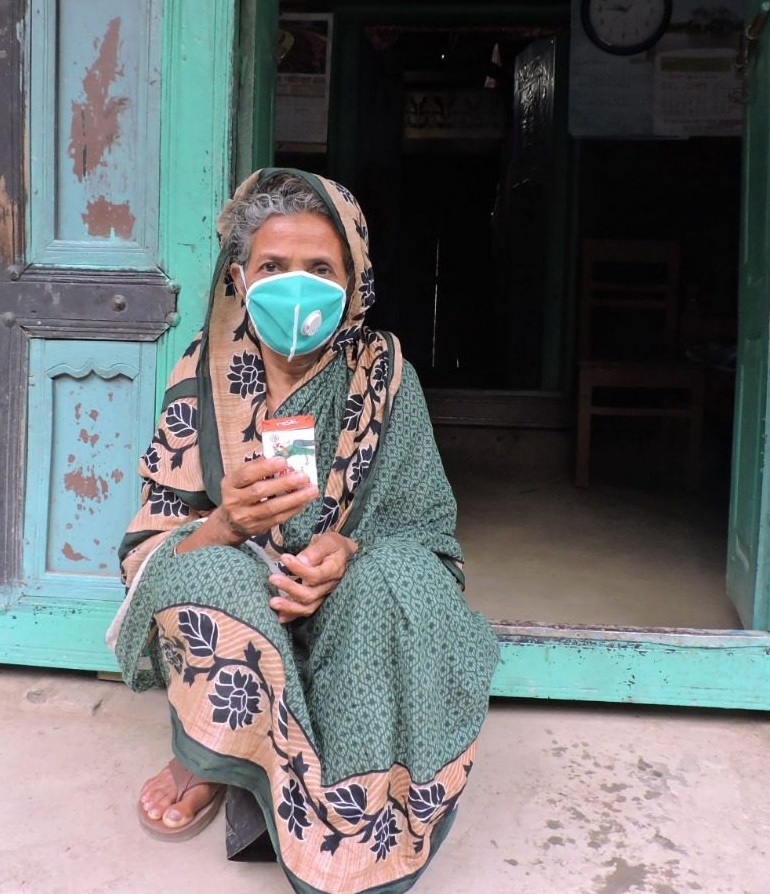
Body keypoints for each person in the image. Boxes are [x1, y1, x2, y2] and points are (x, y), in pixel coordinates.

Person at [106, 168, 500, 894]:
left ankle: (352, 804)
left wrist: (347, 551)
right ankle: (212, 758)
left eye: (320, 268)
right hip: (246, 611)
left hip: (348, 608)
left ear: (354, 280)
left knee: (399, 580)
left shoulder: (385, 376)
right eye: (273, 267)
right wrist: (226, 523)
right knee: (202, 573)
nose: (297, 286)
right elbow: (149, 549)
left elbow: (429, 538)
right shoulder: (202, 375)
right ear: (240, 277)